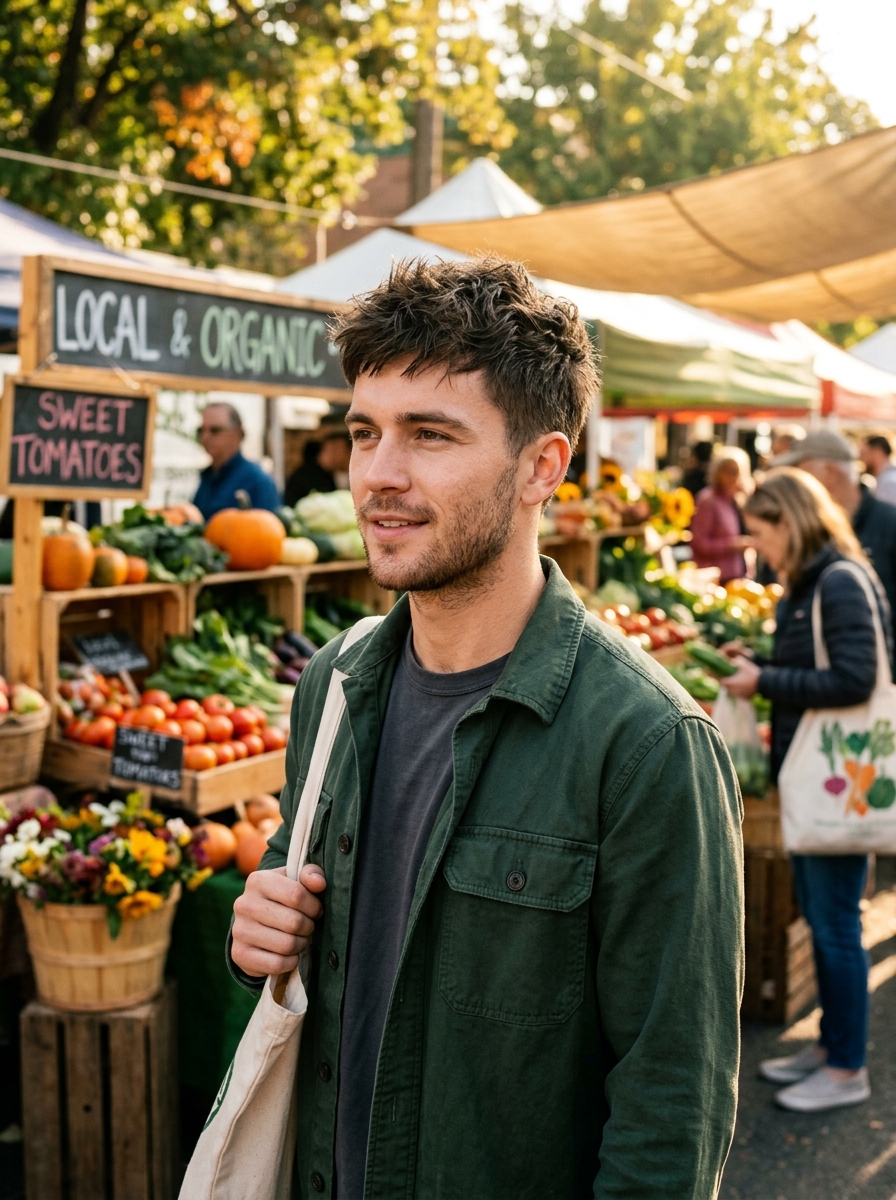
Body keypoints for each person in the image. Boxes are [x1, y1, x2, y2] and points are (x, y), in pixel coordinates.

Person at [227, 258, 744, 1198]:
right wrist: (260, 929)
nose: (379, 476)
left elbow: (671, 1113)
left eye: (429, 435)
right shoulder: (334, 685)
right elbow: (304, 903)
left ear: (541, 467)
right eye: (364, 432)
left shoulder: (648, 747)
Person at [725, 468, 891, 1114]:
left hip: (837, 782)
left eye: (762, 535)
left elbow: (857, 677)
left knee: (837, 926)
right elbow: (815, 667)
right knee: (825, 922)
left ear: (791, 523)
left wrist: (764, 683)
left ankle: (849, 1068)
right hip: (817, 779)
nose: (759, 550)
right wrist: (762, 664)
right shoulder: (812, 582)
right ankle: (830, 1047)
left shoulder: (838, 581)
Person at [773, 430, 896, 646]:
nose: (795, 483)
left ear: (830, 472)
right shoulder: (814, 531)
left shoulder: (889, 523)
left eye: (800, 472)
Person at [192, 401, 280, 520]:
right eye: (201, 430)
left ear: (237, 433)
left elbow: (269, 531)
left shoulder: (258, 481)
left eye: (215, 430)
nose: (205, 437)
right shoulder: (208, 476)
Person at [689, 446, 754, 582]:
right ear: (717, 472)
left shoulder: (738, 499)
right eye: (729, 471)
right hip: (716, 577)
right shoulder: (708, 500)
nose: (734, 476)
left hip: (739, 574)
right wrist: (732, 545)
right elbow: (699, 543)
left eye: (737, 472)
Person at [861, 435, 896, 505]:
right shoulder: (886, 479)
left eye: (864, 454)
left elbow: (887, 514)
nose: (862, 459)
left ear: (877, 452)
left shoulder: (889, 482)